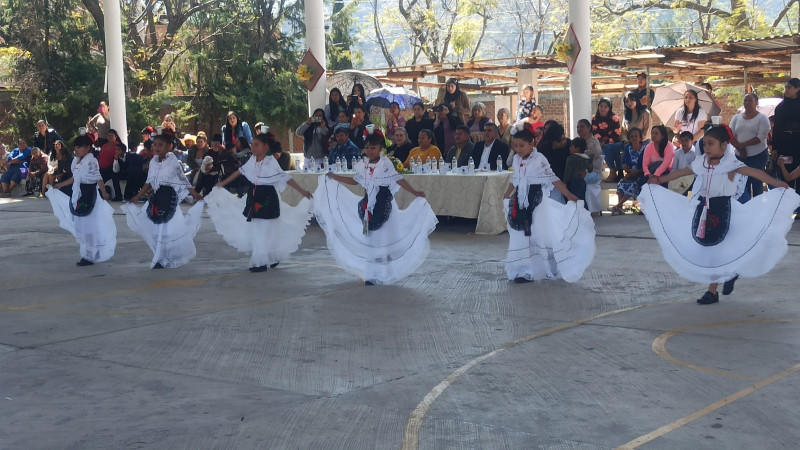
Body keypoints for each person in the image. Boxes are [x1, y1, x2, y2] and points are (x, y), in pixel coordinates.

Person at [638, 126, 798, 305]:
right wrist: (659, 180)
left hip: (725, 210)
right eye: (705, 144)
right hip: (704, 210)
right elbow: (681, 173)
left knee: (721, 249)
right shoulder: (701, 163)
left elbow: (755, 173)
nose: (706, 147)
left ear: (724, 145)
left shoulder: (731, 164)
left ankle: (718, 284)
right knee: (710, 249)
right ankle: (721, 282)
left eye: (711, 144)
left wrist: (777, 183)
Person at [314, 133, 437, 285]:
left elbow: (398, 179)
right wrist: (335, 177)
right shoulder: (364, 164)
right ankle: (371, 274)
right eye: (368, 147)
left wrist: (415, 192)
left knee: (383, 241)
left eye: (374, 148)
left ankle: (385, 273)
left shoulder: (385, 164)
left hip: (383, 206)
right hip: (368, 207)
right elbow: (355, 181)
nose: (370, 151)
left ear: (381, 149)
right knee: (372, 241)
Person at [205, 133, 313, 272]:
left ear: (265, 147)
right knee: (257, 229)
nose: (253, 147)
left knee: (266, 229)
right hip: (254, 196)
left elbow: (285, 177)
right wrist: (222, 183)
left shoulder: (270, 162)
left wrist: (302, 191)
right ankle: (267, 258)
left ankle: (264, 260)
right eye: (252, 144)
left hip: (267, 197)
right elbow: (240, 172)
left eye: (256, 145)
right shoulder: (252, 160)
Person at [502, 123, 594, 283]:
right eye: (515, 146)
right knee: (521, 235)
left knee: (538, 234)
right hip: (521, 200)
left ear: (532, 143)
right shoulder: (516, 159)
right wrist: (507, 193)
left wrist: (568, 194)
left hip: (537, 201)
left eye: (522, 145)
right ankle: (522, 268)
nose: (518, 149)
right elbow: (515, 178)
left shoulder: (539, 159)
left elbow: (552, 178)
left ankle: (537, 268)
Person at [122, 132, 205, 269]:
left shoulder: (173, 162)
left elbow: (183, 180)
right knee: (156, 229)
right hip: (157, 199)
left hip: (169, 198)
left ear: (169, 147)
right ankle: (160, 257)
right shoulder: (153, 162)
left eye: (160, 145)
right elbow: (149, 181)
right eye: (155, 145)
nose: (157, 147)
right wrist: (138, 196)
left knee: (166, 230)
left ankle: (162, 258)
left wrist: (195, 194)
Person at [44, 135, 116, 266]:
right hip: (78, 193)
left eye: (79, 147)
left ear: (88, 148)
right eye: (75, 147)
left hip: (89, 193)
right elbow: (75, 178)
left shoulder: (91, 161)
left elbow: (97, 177)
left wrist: (104, 192)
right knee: (82, 225)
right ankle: (89, 252)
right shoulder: (76, 162)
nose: (76, 150)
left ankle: (89, 255)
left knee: (89, 225)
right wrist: (61, 184)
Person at [730, 93, 771, 203]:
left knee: (756, 181)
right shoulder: (736, 117)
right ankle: (745, 206)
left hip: (758, 155)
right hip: (740, 156)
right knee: (743, 183)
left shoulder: (762, 118)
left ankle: (757, 206)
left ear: (756, 103)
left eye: (750, 100)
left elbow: (761, 137)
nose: (747, 103)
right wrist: (739, 148)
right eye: (745, 100)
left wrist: (742, 145)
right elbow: (730, 135)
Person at [772, 78, 800, 209]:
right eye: (786, 87)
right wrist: (775, 147)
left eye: (789, 87)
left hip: (798, 144)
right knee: (785, 172)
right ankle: (786, 207)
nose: (786, 90)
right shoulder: (781, 107)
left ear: (797, 89)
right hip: (785, 144)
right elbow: (776, 128)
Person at [610, 128, 648, 215]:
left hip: (642, 173)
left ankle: (618, 206)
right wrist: (628, 171)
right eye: (631, 136)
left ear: (640, 138)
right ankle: (620, 208)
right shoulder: (628, 149)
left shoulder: (645, 149)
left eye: (636, 136)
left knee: (632, 185)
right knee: (621, 184)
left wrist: (637, 172)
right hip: (631, 174)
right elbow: (624, 164)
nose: (634, 138)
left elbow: (646, 164)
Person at [576, 119, 603, 215]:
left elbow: (593, 154)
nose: (579, 129)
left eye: (582, 126)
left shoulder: (594, 142)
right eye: (578, 127)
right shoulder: (578, 141)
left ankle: (584, 209)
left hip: (593, 173)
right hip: (582, 172)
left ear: (588, 128)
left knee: (577, 181)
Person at [563, 137, 592, 202]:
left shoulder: (571, 158)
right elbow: (590, 169)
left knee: (572, 200)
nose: (569, 148)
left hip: (572, 183)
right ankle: (584, 211)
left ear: (577, 148)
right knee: (581, 199)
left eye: (571, 146)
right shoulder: (586, 158)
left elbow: (567, 172)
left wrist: (564, 182)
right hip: (582, 182)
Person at [667, 131, 697, 195]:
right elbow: (674, 168)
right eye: (682, 141)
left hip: (691, 179)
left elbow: (695, 171)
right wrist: (670, 178)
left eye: (686, 140)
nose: (684, 143)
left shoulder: (695, 154)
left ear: (692, 142)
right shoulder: (677, 153)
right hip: (679, 177)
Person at [98, 130, 120, 197]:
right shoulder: (104, 146)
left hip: (111, 168)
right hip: (101, 167)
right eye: (108, 135)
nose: (110, 137)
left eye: (111, 135)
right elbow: (100, 156)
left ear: (115, 137)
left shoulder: (118, 146)